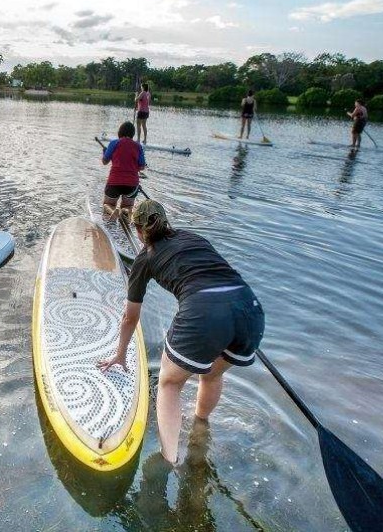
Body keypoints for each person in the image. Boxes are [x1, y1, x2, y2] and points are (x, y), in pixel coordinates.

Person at [97, 199, 265, 465]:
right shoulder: (193, 237)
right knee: (210, 375)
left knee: (170, 383)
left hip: (204, 312)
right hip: (250, 309)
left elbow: (130, 317)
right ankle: (201, 428)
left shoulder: (144, 259)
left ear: (139, 232)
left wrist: (120, 354)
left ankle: (168, 459)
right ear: (166, 222)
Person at [101, 121, 146, 211]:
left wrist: (104, 152)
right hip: (132, 184)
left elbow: (105, 162)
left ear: (120, 132)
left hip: (114, 182)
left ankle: (111, 213)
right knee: (127, 209)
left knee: (108, 206)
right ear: (133, 134)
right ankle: (125, 215)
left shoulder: (114, 143)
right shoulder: (138, 146)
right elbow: (142, 167)